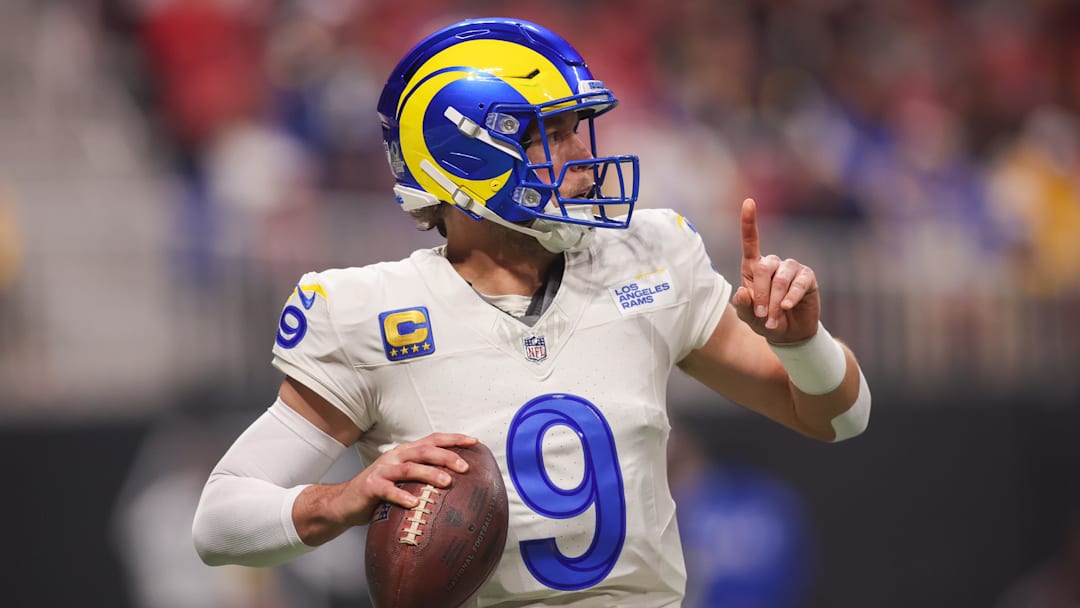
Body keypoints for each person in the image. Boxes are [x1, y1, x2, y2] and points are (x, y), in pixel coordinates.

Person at [192, 16, 871, 607]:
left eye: (579, 128)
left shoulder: (645, 255)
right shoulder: (370, 312)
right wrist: (338, 499)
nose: (582, 155)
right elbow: (220, 519)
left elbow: (841, 417)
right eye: (552, 131)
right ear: (466, 153)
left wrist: (802, 343)